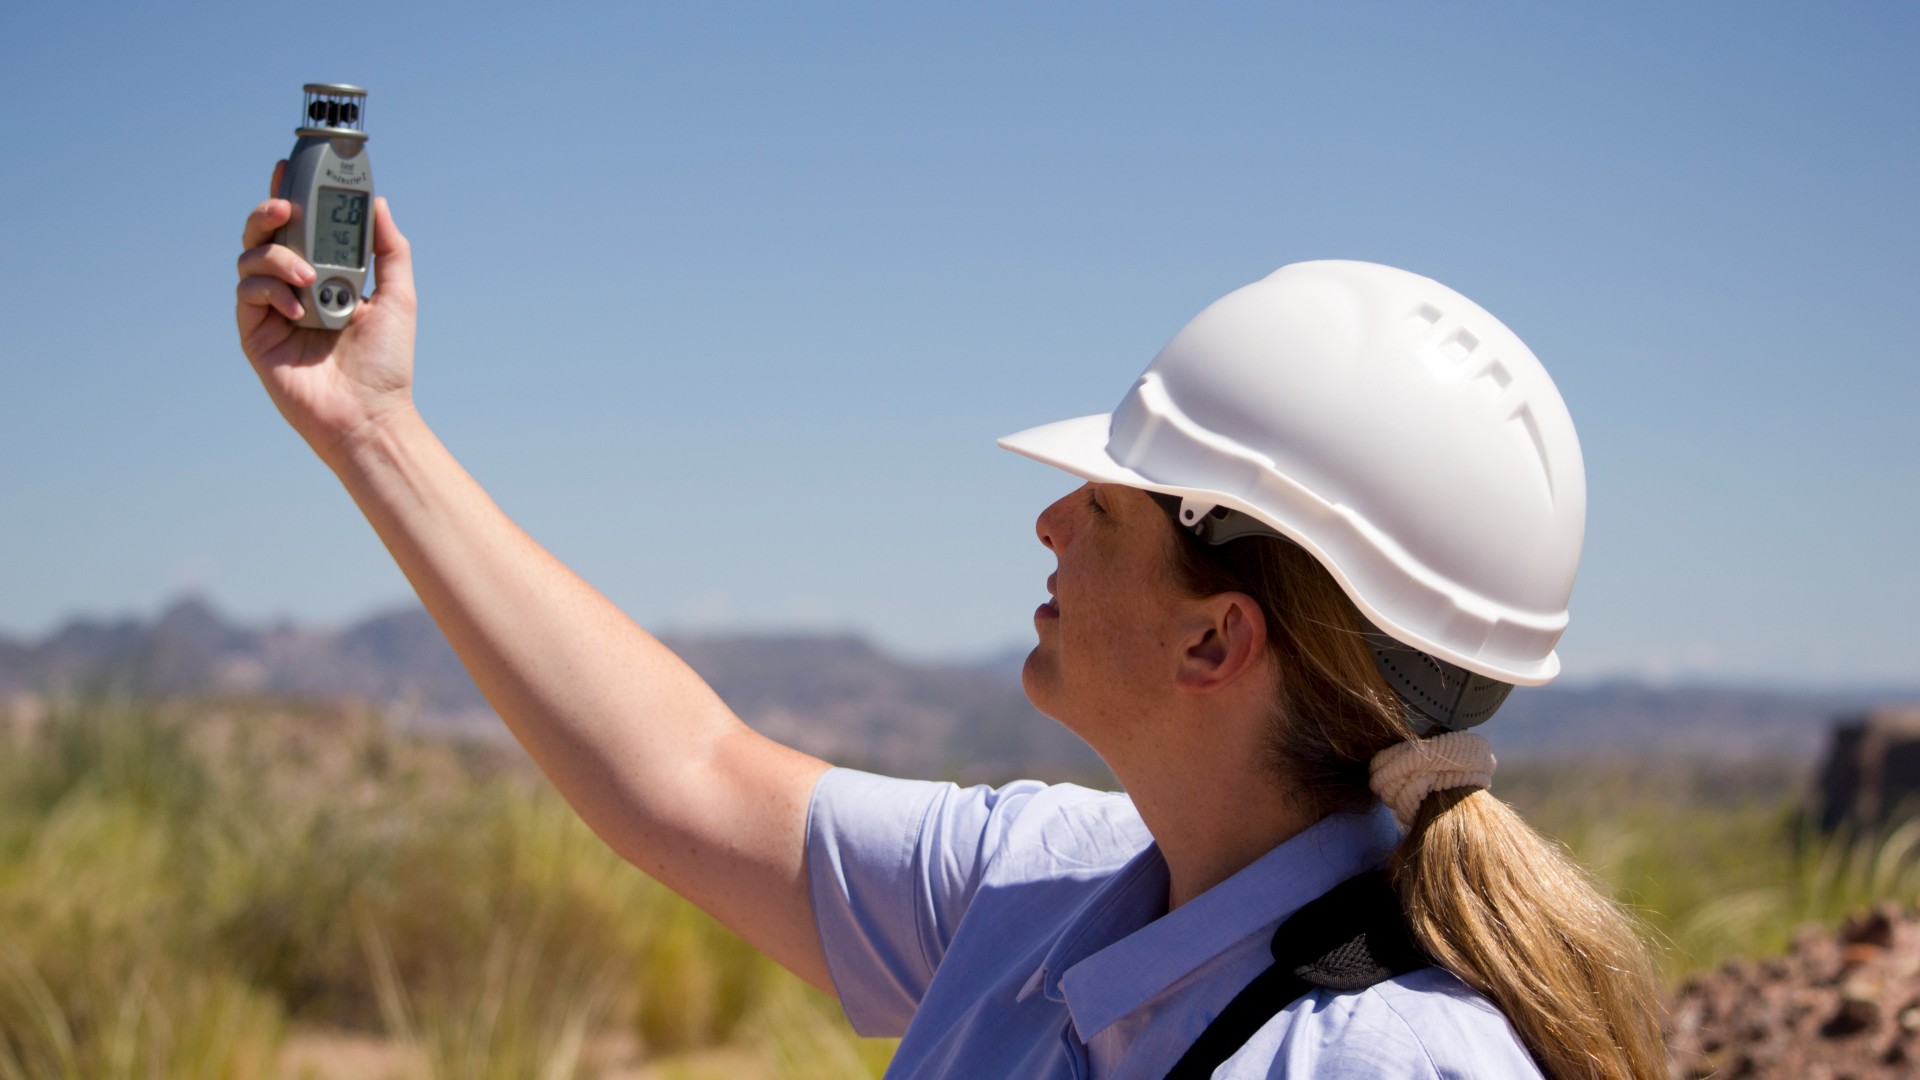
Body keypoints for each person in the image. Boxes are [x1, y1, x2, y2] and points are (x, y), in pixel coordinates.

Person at [235, 169, 1666, 1078]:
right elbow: (687, 774)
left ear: (1217, 640)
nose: (1050, 524)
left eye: (1104, 509)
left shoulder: (1380, 1062)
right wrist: (375, 431)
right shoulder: (1052, 886)